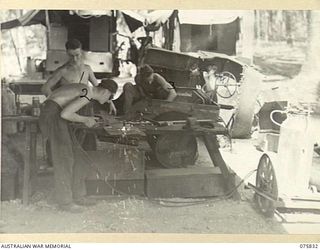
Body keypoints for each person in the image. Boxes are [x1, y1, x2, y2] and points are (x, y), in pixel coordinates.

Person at [39, 79, 118, 213]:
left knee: (78, 155)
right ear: (105, 91)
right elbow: (65, 114)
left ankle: (78, 196)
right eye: (110, 97)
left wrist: (87, 118)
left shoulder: (86, 89)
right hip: (52, 115)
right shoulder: (87, 93)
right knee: (64, 158)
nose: (109, 100)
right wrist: (86, 120)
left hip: (56, 114)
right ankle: (65, 202)